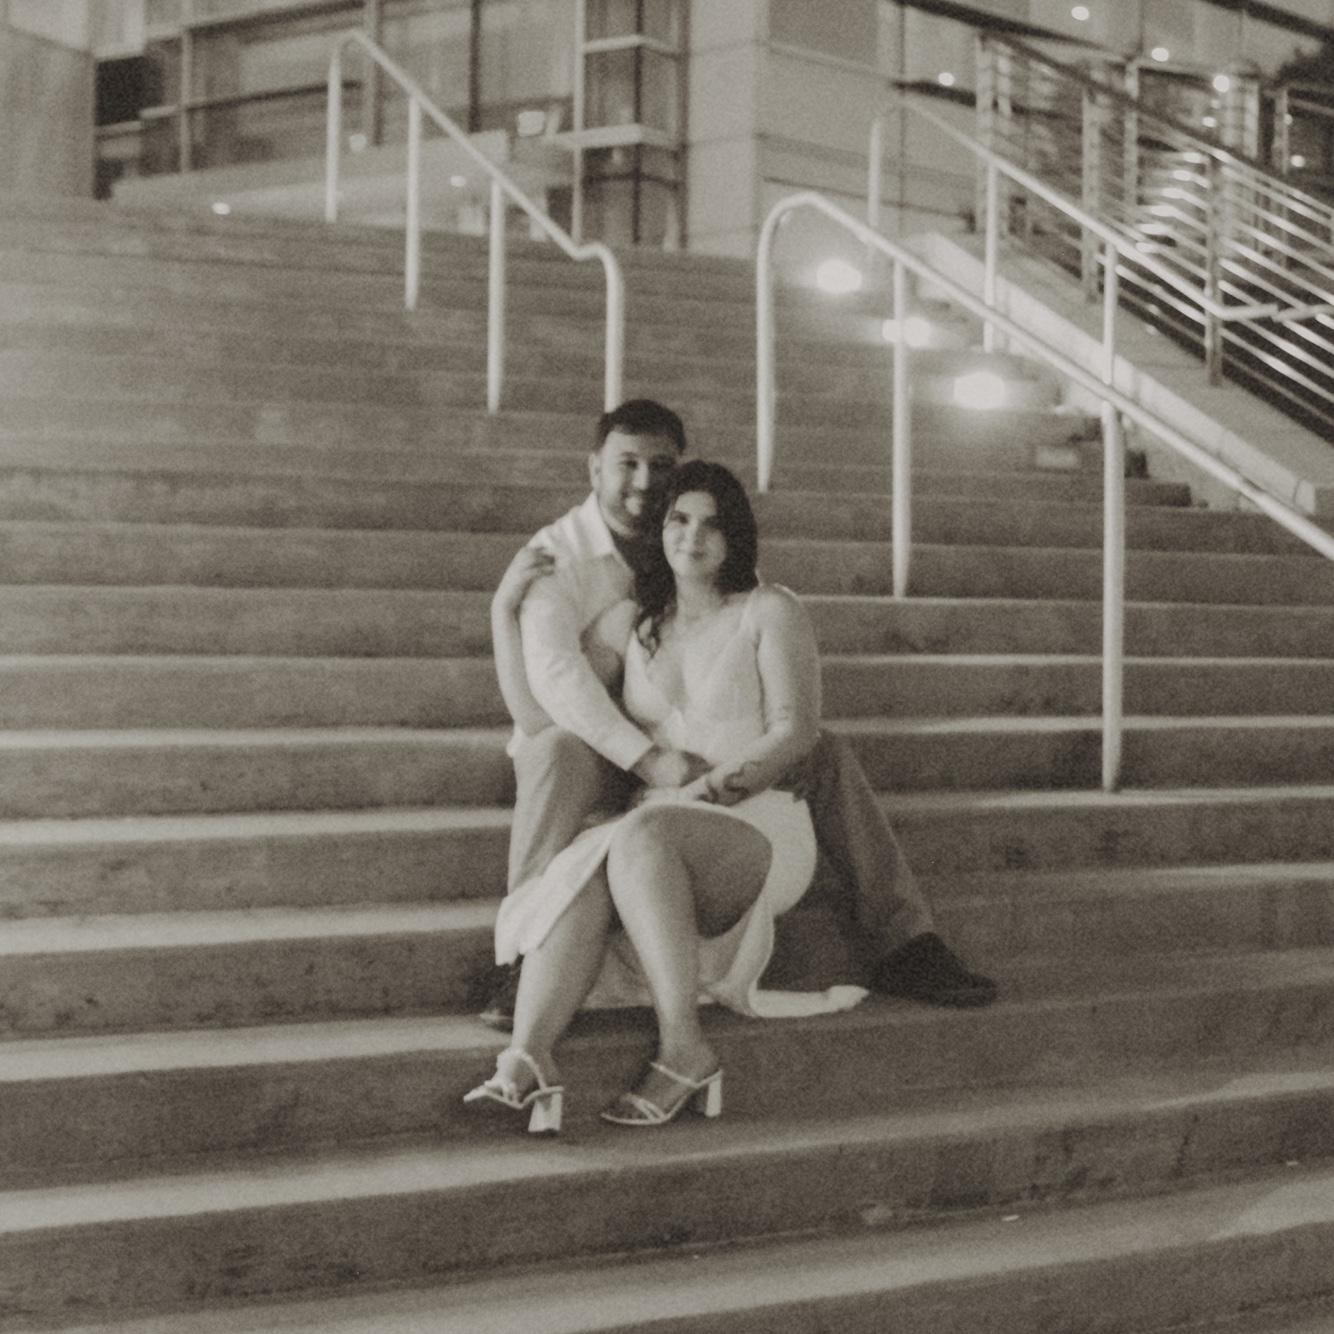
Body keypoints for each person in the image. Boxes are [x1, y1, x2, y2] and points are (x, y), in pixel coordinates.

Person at [478, 399, 995, 1030]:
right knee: (553, 749)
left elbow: (749, 661)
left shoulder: (698, 539)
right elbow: (550, 695)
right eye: (626, 464)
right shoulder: (558, 556)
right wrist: (648, 758)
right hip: (598, 746)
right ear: (594, 469)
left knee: (821, 748)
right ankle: (522, 956)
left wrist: (755, 756)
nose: (644, 480)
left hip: (692, 753)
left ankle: (906, 940)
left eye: (660, 466)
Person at [465, 461, 866, 1133]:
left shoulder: (770, 609)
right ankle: (529, 1058)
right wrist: (502, 612)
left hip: (758, 830)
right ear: (661, 530)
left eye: (712, 524)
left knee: (638, 833)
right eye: (679, 519)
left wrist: (702, 789)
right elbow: (543, 716)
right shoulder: (633, 622)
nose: (693, 536)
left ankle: (685, 1048)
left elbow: (797, 730)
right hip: (656, 839)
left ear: (735, 537)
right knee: (586, 864)